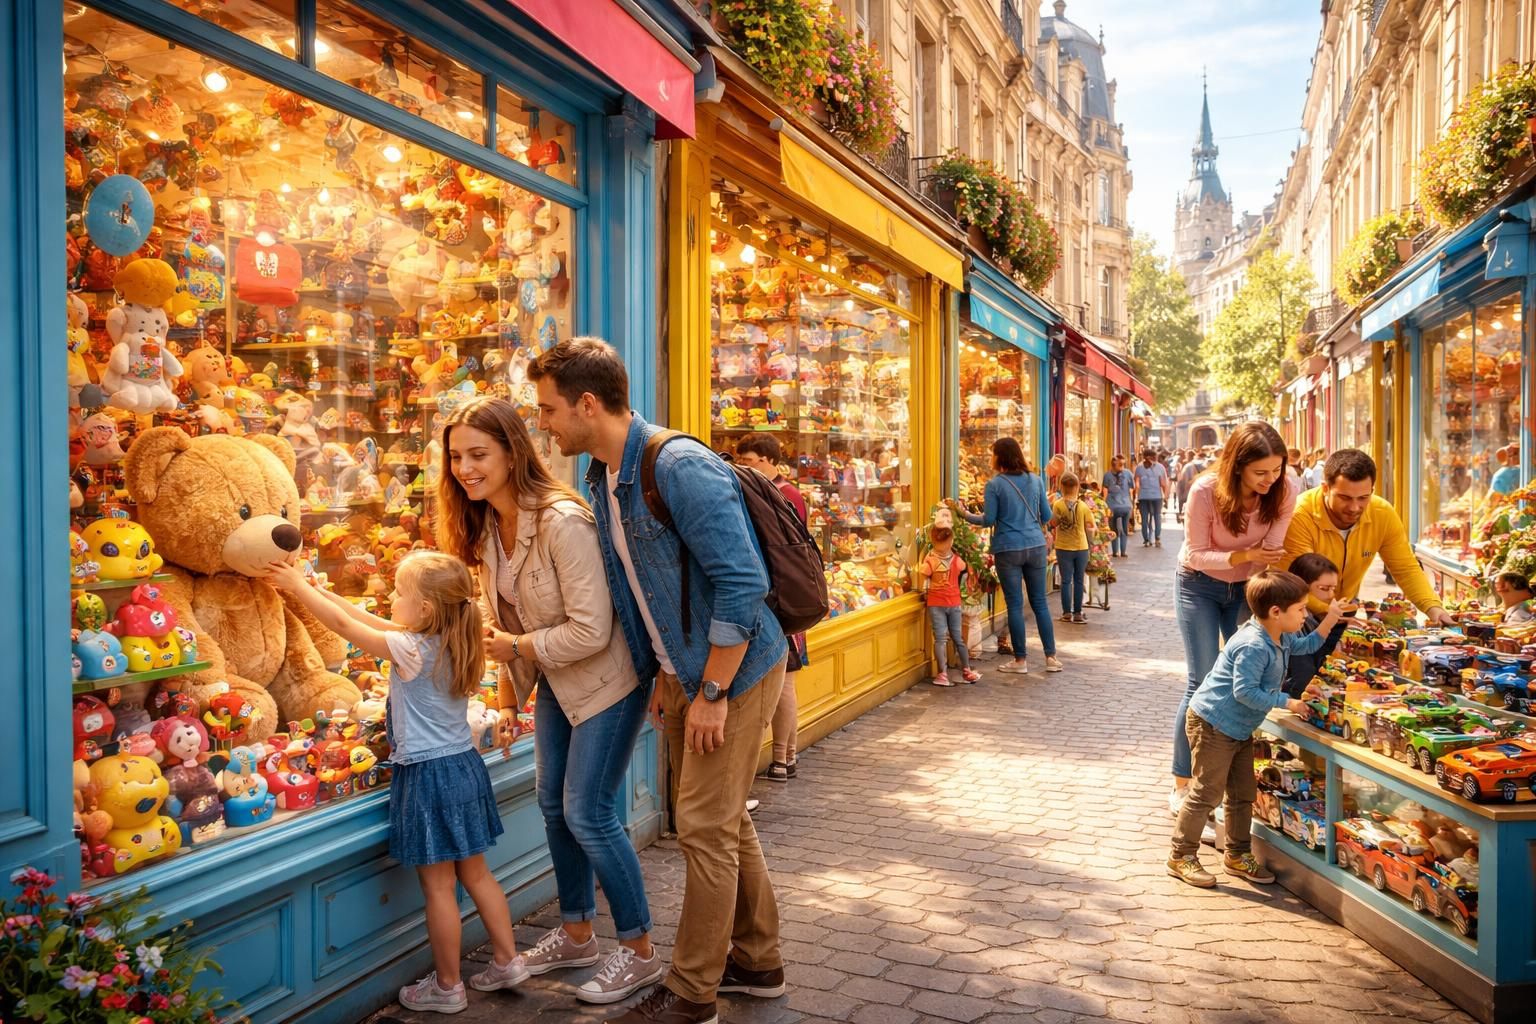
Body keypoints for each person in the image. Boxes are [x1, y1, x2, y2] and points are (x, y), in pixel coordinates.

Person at [528, 338, 787, 1024]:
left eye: (549, 409)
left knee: (702, 828)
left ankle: (693, 992)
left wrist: (712, 692)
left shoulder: (677, 466)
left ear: (588, 404)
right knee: (722, 819)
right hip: (687, 673)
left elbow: (742, 584)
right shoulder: (601, 477)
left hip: (736, 670)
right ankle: (758, 961)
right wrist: (662, 675)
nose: (543, 423)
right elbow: (640, 591)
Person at [436, 397, 660, 1005]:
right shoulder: (486, 526)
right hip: (555, 682)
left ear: (512, 453)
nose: (465, 469)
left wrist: (515, 648)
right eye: (455, 457)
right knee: (554, 808)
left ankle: (639, 951)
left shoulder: (562, 521)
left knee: (588, 812)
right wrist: (509, 697)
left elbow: (592, 629)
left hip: (608, 680)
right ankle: (578, 935)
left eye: (478, 455)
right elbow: (503, 622)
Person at [266, 552, 524, 1013]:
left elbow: (348, 629)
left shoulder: (411, 648)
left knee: (439, 888)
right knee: (478, 874)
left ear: (425, 608)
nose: (391, 598)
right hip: (464, 767)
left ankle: (448, 986)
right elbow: (367, 621)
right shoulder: (451, 637)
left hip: (427, 775)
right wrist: (320, 591)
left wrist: (299, 589)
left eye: (400, 593)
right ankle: (508, 960)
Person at [1167, 571, 1341, 889]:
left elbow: (1306, 645)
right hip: (1213, 724)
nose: (1305, 614)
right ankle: (1181, 856)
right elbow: (1244, 692)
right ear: (1276, 611)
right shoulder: (1254, 645)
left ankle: (1237, 854)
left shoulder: (1280, 636)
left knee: (1243, 793)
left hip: (1238, 728)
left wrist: (1331, 618)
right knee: (1206, 792)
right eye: (1300, 609)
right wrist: (1288, 702)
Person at [1172, 422, 1296, 823]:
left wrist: (1257, 568)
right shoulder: (1205, 491)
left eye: (1276, 469)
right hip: (1199, 586)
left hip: (1247, 589)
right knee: (1201, 680)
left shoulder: (1285, 489)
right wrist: (1245, 555)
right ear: (1237, 465)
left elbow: (1272, 549)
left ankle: (1239, 784)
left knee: (1253, 677)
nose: (1270, 479)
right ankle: (1183, 783)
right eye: (1261, 472)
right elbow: (1195, 553)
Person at [1280, 449, 1458, 628]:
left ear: (1372, 491)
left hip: (1344, 608)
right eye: (1345, 498)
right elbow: (1293, 581)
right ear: (1325, 488)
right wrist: (1330, 612)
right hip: (1298, 610)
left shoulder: (1382, 513)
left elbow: (1405, 568)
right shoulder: (1299, 515)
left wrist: (1434, 608)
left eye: (1363, 498)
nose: (1354, 507)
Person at [954, 438, 1062, 675]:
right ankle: (1051, 658)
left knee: (1015, 604)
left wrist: (963, 514)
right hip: (1035, 546)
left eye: (993, 453)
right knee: (1039, 603)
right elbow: (1046, 516)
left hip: (1008, 548)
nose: (991, 458)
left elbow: (989, 520)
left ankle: (1020, 661)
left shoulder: (995, 485)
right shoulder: (1036, 480)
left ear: (1000, 457)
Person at [736, 433, 808, 783]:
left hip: (782, 600)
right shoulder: (768, 489)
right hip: (777, 598)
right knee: (782, 682)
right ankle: (787, 758)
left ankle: (782, 757)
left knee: (784, 682)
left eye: (748, 461)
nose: (742, 467)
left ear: (768, 461)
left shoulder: (785, 494)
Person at [919, 516, 981, 686]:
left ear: (933, 540)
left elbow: (923, 574)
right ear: (951, 541)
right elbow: (963, 568)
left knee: (940, 639)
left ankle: (942, 674)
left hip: (935, 602)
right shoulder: (957, 560)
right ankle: (966, 670)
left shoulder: (930, 560)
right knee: (958, 638)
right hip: (953, 602)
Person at [1283, 553, 1356, 696]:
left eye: (1333, 589)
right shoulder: (1294, 621)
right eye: (1324, 588)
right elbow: (1302, 669)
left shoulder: (1311, 615)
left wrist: (1336, 625)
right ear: (1301, 586)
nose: (1330, 595)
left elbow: (1319, 652)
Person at [1052, 472, 1095, 625]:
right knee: (1079, 580)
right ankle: (1077, 613)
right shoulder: (1083, 506)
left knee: (1065, 581)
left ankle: (1066, 613)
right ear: (1077, 487)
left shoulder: (1058, 505)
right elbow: (1090, 527)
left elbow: (1053, 523)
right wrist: (1091, 543)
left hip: (1063, 547)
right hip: (1081, 547)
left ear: (1061, 487)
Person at [1132, 449, 1170, 547]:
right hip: (1157, 496)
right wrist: (1166, 496)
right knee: (1157, 516)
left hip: (1143, 497)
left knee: (1144, 518)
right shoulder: (1160, 467)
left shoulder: (1139, 467)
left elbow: (1137, 484)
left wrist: (1136, 496)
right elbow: (1163, 483)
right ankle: (1157, 538)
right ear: (1152, 457)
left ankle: (1146, 539)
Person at [1101, 455, 1134, 558]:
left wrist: (1104, 506)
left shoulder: (1107, 475)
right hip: (1126, 506)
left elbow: (1105, 492)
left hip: (1112, 507)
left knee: (1113, 529)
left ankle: (1115, 552)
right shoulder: (1128, 473)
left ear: (1111, 465)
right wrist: (1131, 503)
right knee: (1124, 529)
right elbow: (1131, 490)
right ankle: (1123, 552)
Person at [1175, 449, 1206, 524]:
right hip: (1201, 494)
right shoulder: (1204, 465)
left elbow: (1183, 482)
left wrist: (1181, 494)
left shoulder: (1187, 466)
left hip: (1188, 493)